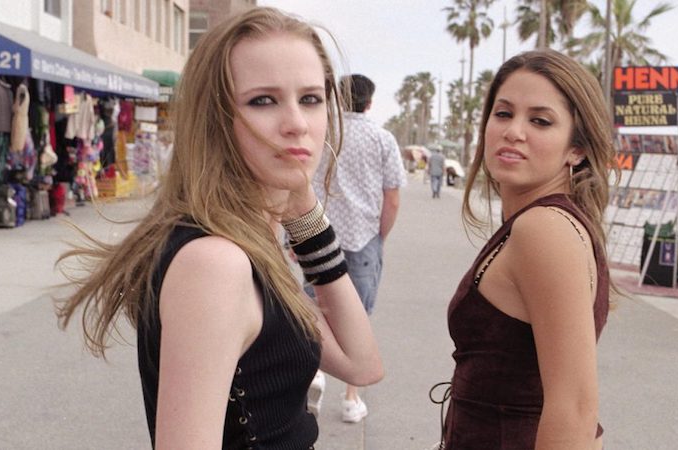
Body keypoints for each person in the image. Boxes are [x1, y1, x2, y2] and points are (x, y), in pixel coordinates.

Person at [55, 8, 383, 449]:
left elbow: (362, 365)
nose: (297, 124)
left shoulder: (250, 241)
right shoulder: (215, 262)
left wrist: (305, 216)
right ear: (216, 119)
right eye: (262, 100)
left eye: (310, 98)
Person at [441, 49, 616, 449]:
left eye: (540, 120)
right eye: (503, 114)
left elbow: (574, 407)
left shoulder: (544, 229)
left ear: (577, 149)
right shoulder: (545, 222)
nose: (514, 131)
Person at [308, 73, 406, 423]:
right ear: (369, 102)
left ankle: (315, 372)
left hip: (316, 236)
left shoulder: (324, 134)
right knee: (357, 317)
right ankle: (351, 400)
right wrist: (381, 235)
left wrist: (295, 236)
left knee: (315, 312)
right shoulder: (382, 139)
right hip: (364, 238)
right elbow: (391, 196)